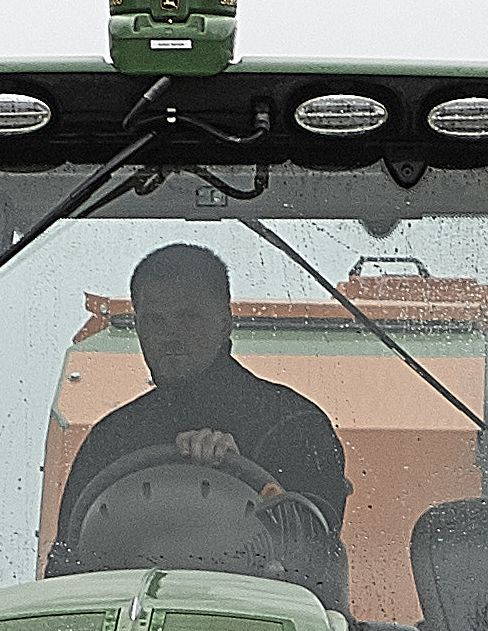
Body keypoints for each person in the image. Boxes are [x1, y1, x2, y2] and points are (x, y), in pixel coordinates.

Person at [48, 240, 354, 581]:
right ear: (138, 329)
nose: (170, 336)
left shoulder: (295, 427)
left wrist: (239, 478)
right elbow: (65, 567)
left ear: (225, 323)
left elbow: (316, 558)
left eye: (188, 318)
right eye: (154, 321)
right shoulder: (110, 438)